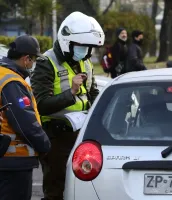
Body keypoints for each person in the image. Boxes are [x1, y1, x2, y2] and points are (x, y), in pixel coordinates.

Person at [30, 11, 105, 200]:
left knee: (83, 186)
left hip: (82, 134)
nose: (86, 51)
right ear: (67, 42)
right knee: (57, 188)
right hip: (55, 137)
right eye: (82, 46)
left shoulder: (84, 62)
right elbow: (40, 105)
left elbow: (92, 93)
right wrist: (70, 93)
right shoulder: (46, 63)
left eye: (89, 47)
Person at [0, 35, 51, 200]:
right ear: (26, 59)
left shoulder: (2, 74)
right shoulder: (12, 82)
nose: (33, 64)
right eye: (33, 60)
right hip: (14, 160)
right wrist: (44, 145)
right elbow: (24, 121)